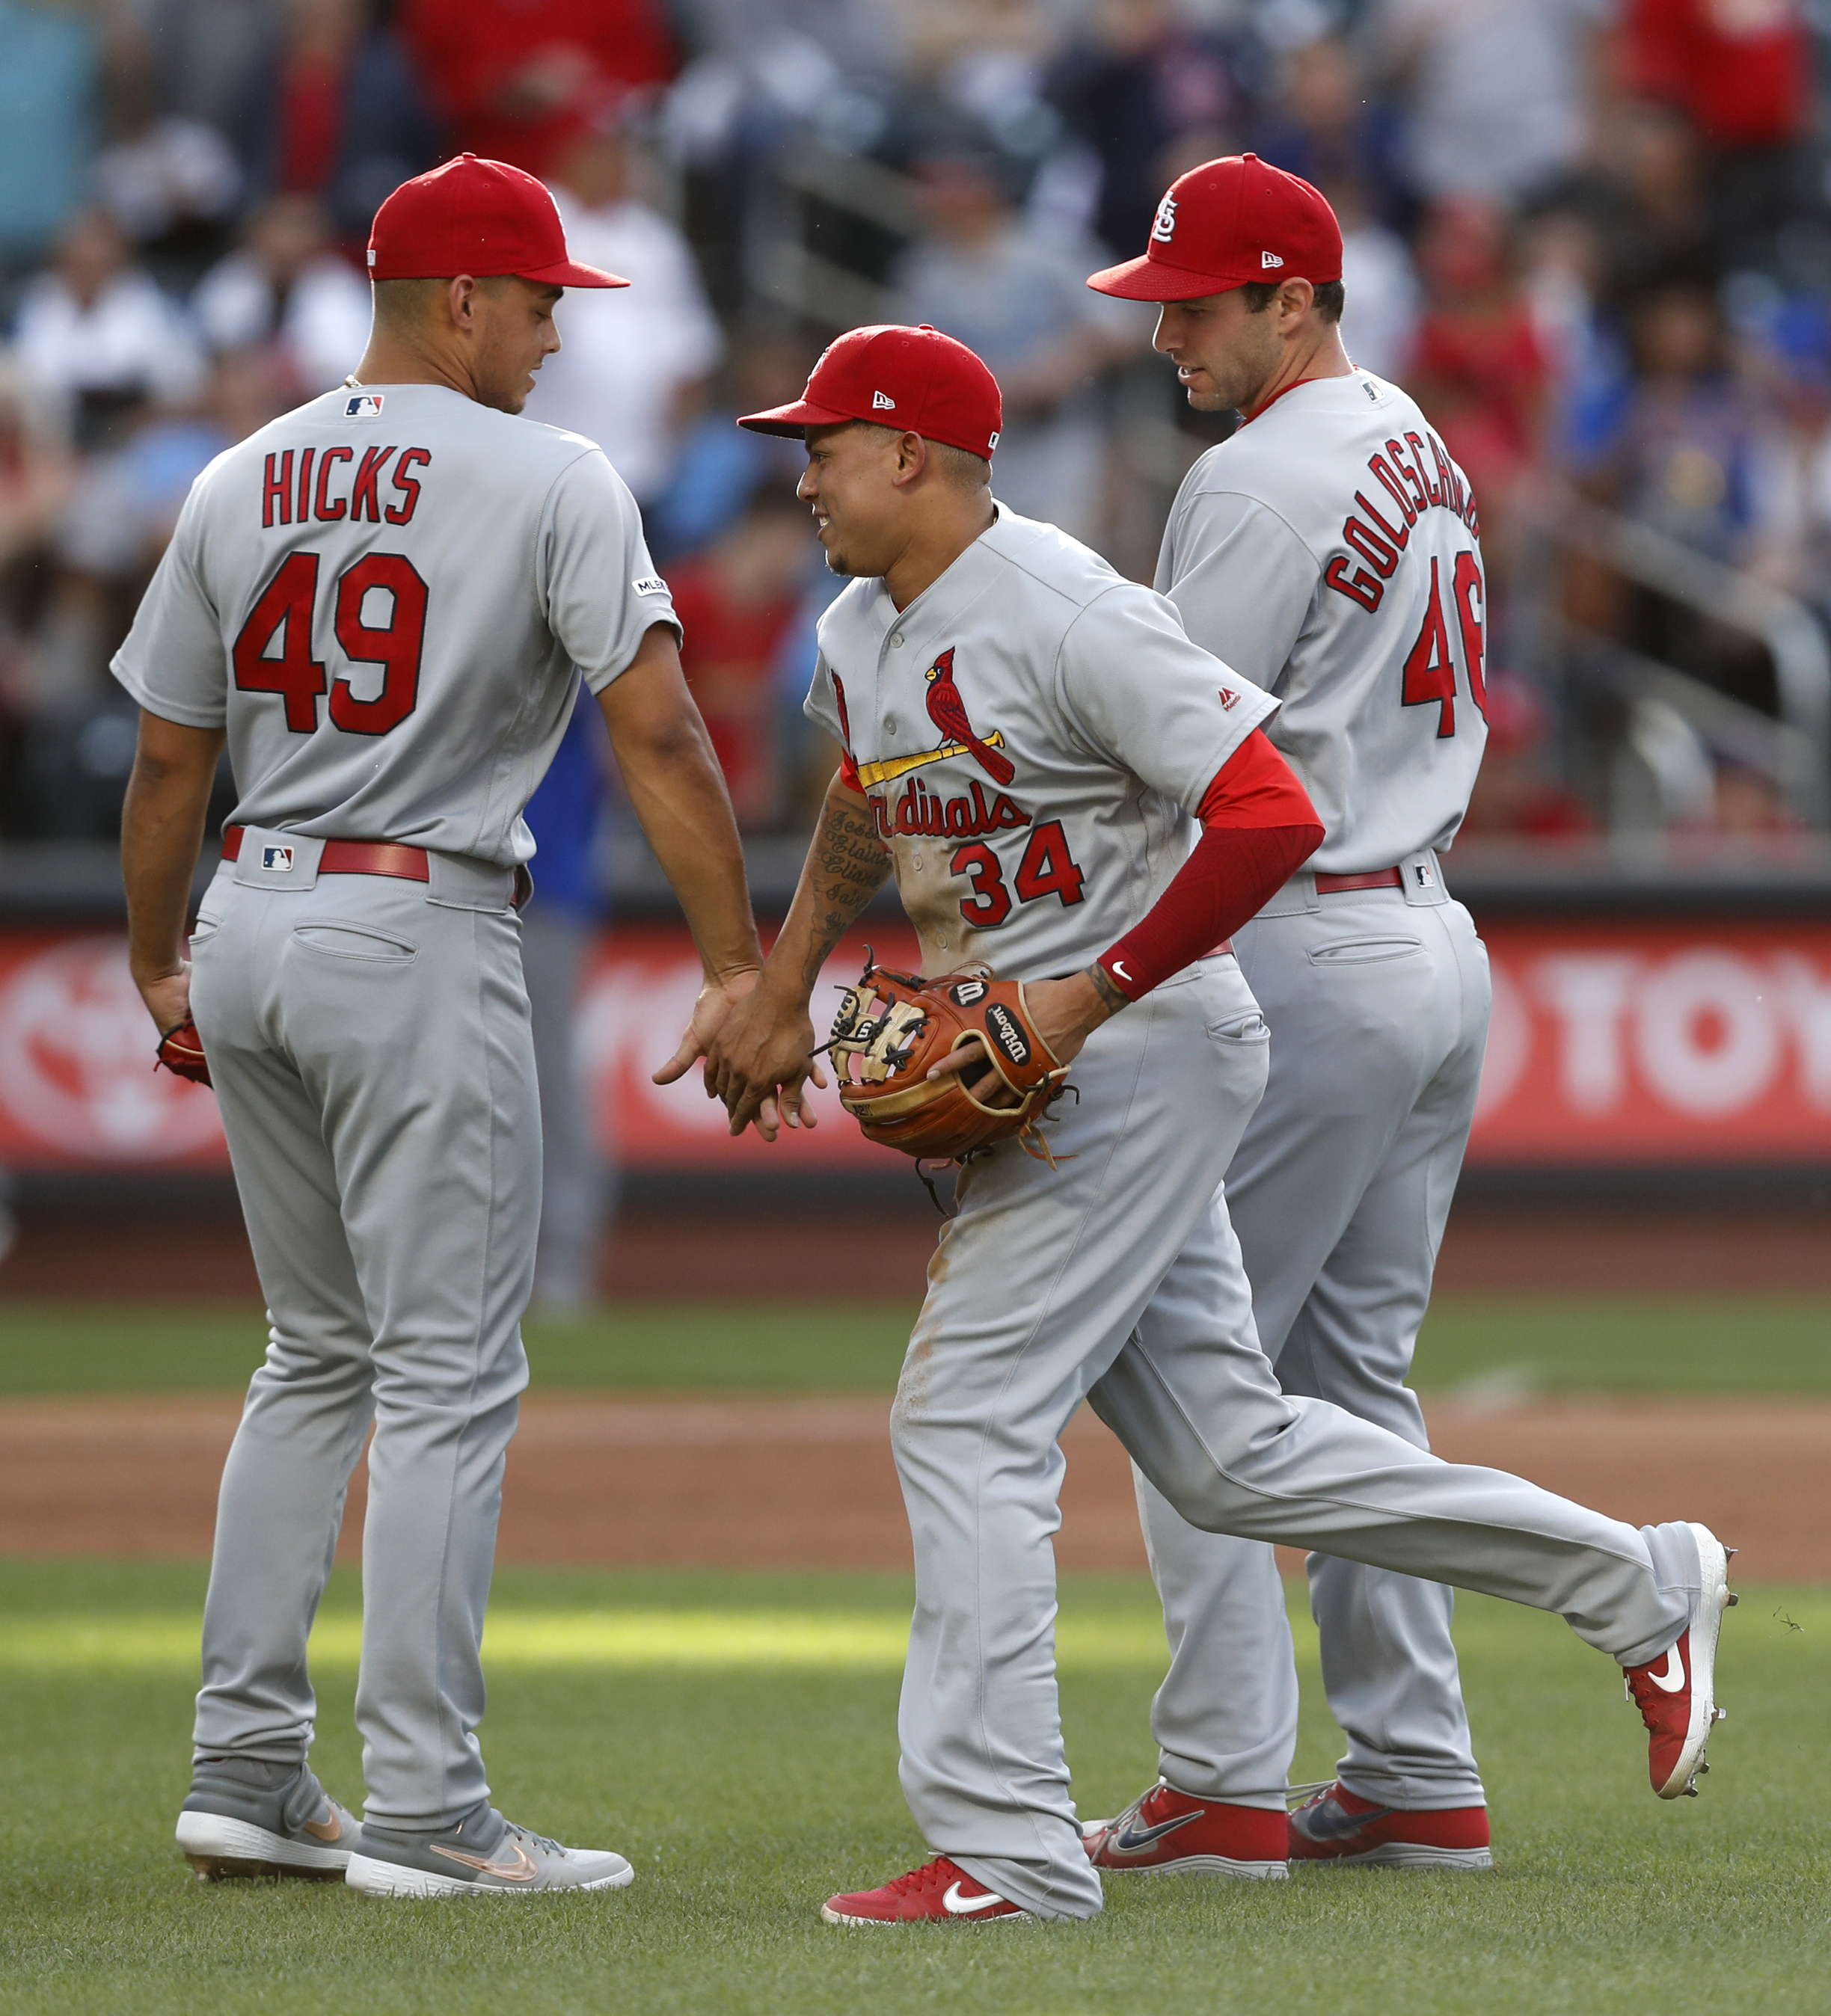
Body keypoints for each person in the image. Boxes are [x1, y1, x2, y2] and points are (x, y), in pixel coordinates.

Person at [698, 319, 1732, 1924]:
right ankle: (1635, 1577)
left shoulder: (1066, 605)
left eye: (823, 445)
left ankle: (1008, 1844)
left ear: (913, 453)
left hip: (1140, 1043)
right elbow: (866, 790)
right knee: (1231, 1453)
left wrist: (1087, 993)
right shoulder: (856, 622)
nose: (803, 475)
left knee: (965, 1415)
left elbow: (1272, 808)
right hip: (1057, 1048)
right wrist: (782, 982)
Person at [112, 153, 761, 1897]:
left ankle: (245, 1766)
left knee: (310, 1354)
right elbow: (664, 736)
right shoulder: (553, 474)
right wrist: (738, 963)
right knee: (448, 1378)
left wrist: (155, 958)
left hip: (248, 903)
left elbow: (168, 754)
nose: (561, 334)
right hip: (415, 915)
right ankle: (426, 1805)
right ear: (459, 298)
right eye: (543, 299)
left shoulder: (242, 472)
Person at [1072, 148, 1512, 1874]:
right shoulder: (1410, 433)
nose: (1168, 330)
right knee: (1346, 1379)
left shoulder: (1258, 481)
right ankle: (1414, 1769)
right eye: (1161, 302)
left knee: (1192, 1371)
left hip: (1305, 945)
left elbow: (1173, 753)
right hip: (1423, 936)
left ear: (1295, 299)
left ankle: (1221, 1778)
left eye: (1199, 304)